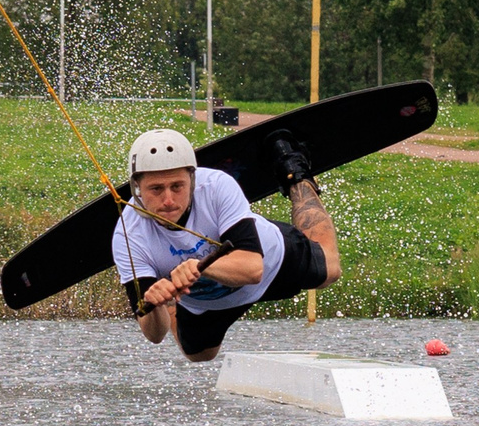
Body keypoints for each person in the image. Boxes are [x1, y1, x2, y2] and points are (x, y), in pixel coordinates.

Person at [111, 127, 341, 363]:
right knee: (199, 356)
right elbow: (154, 334)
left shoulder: (217, 186)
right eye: (156, 189)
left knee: (331, 271)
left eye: (177, 187)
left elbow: (253, 269)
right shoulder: (128, 235)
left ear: (192, 180)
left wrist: (200, 267)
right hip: (207, 303)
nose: (169, 200)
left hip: (271, 262)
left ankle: (295, 174)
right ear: (137, 189)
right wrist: (157, 302)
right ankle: (173, 305)